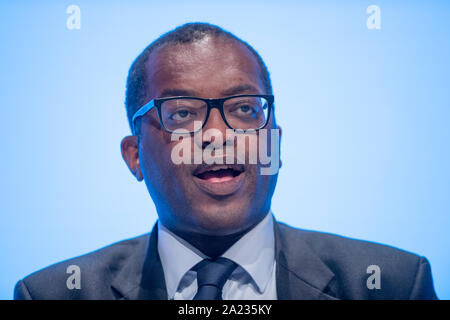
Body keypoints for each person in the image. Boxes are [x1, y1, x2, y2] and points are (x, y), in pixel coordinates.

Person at [14, 22, 437, 300]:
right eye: (182, 113)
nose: (218, 135)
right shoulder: (55, 294)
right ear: (134, 155)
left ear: (275, 142)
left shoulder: (392, 283)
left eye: (245, 109)